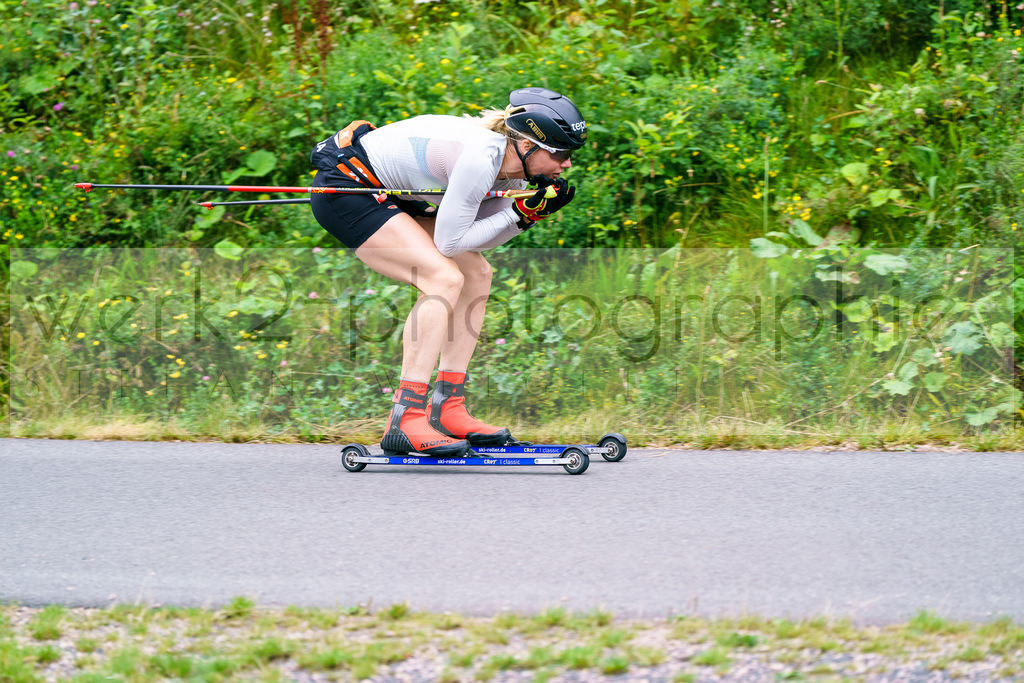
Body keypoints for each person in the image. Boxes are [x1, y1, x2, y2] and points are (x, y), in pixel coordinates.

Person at [309, 87, 587, 457]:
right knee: (443, 278)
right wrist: (519, 214)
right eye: (562, 153)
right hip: (349, 189)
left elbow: (474, 239)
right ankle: (406, 417)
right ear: (528, 144)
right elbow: (452, 243)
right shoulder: (481, 157)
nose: (567, 164)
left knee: (476, 275)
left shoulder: (513, 175)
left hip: (391, 194)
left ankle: (447, 406)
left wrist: (527, 215)